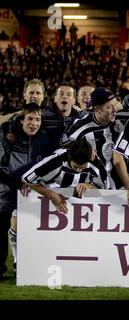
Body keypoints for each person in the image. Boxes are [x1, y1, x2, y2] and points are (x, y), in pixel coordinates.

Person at [0, 103, 54, 277]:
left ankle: (25, 267)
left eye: (38, 120)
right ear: (22, 120)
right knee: (2, 229)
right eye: (30, 119)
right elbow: (1, 165)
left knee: (32, 230)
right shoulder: (8, 136)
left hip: (32, 192)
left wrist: (33, 183)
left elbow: (49, 164)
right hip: (7, 191)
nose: (34, 123)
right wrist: (20, 182)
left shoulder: (45, 139)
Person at [22, 139, 109, 214]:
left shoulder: (96, 164)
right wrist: (51, 195)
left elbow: (105, 190)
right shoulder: (56, 160)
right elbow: (27, 178)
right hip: (50, 200)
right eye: (76, 167)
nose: (78, 171)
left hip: (81, 206)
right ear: (70, 157)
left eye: (83, 168)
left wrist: (88, 186)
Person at [61, 87, 120, 188]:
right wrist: (84, 147)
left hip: (117, 179)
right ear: (97, 109)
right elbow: (64, 142)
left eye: (115, 105)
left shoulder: (121, 118)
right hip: (92, 182)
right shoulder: (81, 125)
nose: (115, 110)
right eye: (109, 107)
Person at [42, 82, 85, 150]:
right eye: (61, 94)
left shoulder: (80, 120)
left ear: (74, 100)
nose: (64, 96)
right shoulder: (43, 117)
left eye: (68, 94)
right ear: (55, 98)